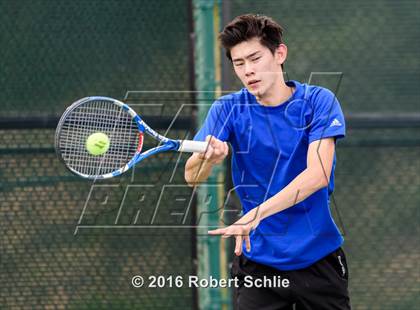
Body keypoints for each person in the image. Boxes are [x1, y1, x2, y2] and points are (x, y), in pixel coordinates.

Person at [184, 14, 351, 310]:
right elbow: (192, 176)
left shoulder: (318, 102)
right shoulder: (228, 109)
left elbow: (318, 175)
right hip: (258, 267)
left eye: (255, 58)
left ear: (279, 54)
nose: (248, 70)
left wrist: (256, 215)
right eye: (239, 64)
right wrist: (207, 159)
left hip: (318, 261)